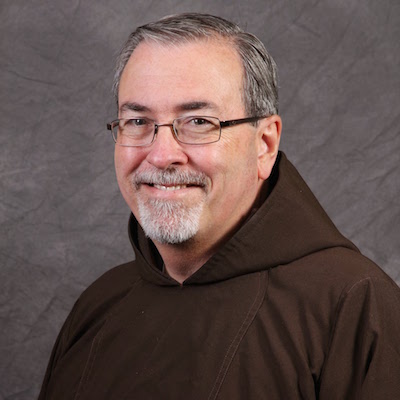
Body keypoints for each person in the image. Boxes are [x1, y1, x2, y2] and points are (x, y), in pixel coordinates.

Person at [39, 13, 400, 399]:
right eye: (138, 121)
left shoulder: (355, 305)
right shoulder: (99, 305)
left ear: (264, 145)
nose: (161, 155)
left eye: (198, 122)